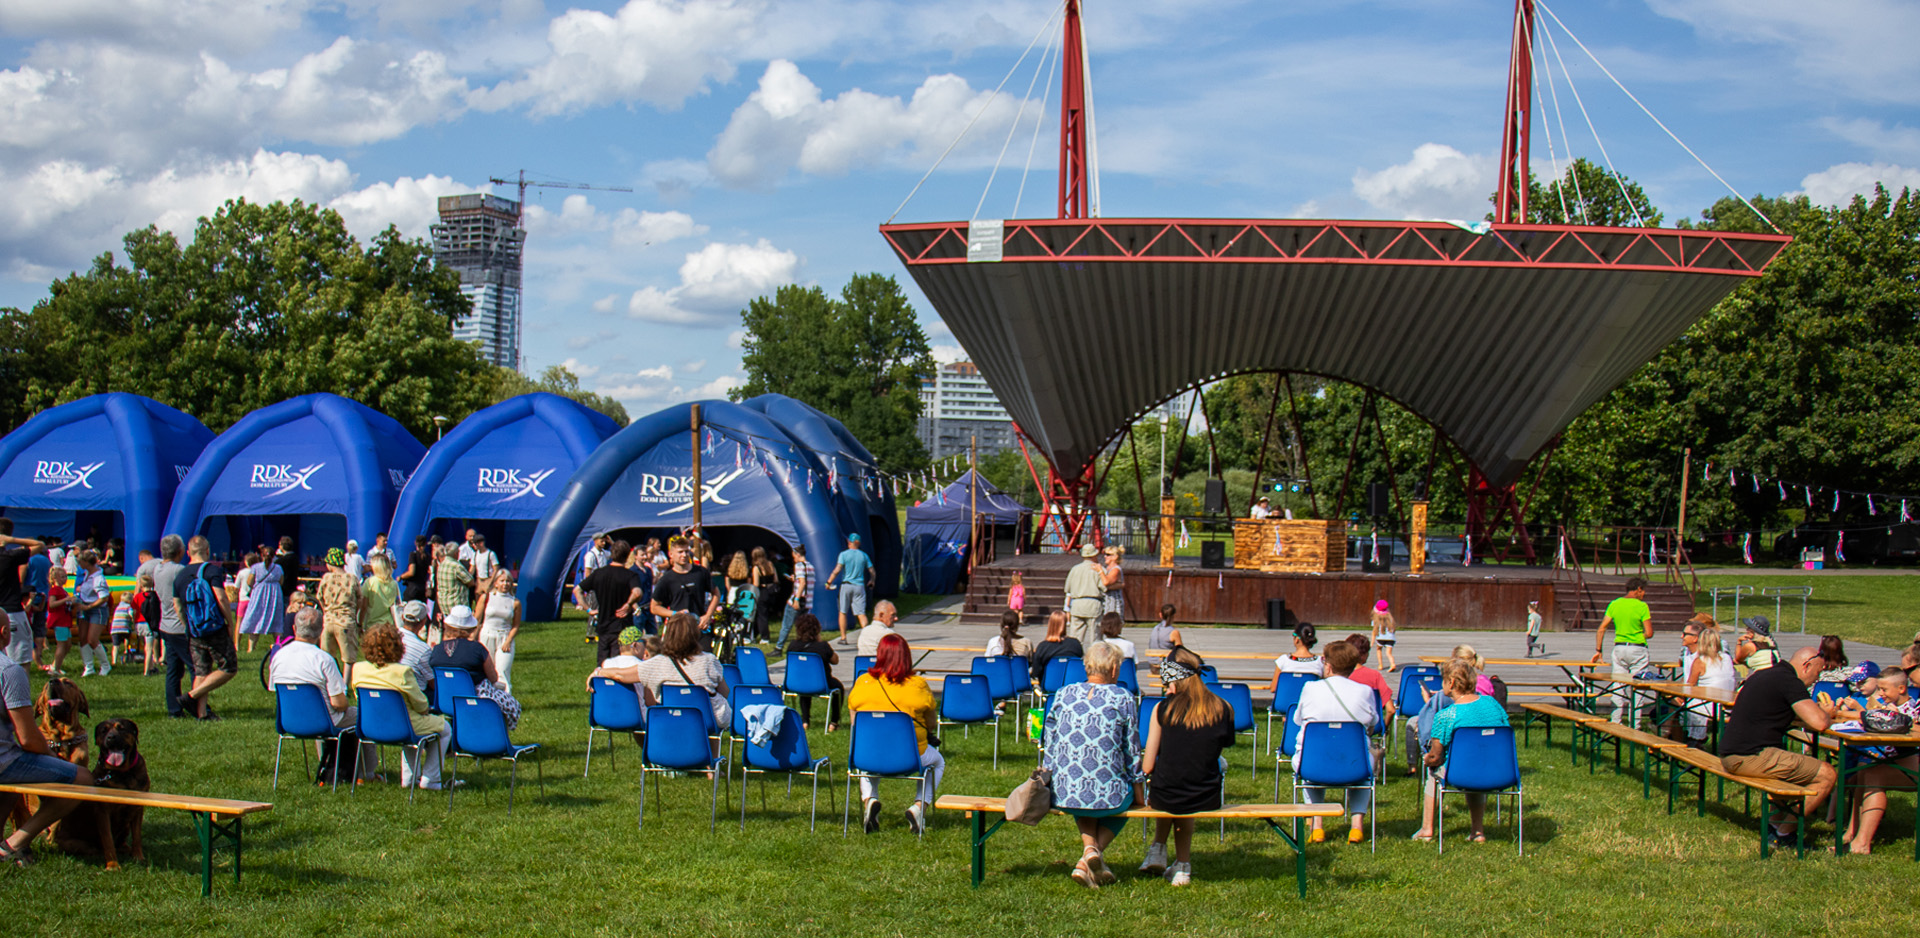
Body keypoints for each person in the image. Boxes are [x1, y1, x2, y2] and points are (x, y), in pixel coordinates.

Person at [0, 612, 96, 868]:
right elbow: (28, 739)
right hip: (3, 763)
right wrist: (53, 757)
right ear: (4, 634)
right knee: (84, 780)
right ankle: (15, 843)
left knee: (14, 782)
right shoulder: (9, 671)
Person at [1042, 641, 1142, 888]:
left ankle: (1087, 854)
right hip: (1108, 793)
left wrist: (1050, 776)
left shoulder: (1063, 694)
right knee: (1124, 800)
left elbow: (1049, 739)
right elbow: (1132, 750)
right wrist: (1139, 790)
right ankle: (1088, 858)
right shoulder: (1123, 697)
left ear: (1087, 666)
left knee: (1082, 790)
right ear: (1115, 669)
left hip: (1065, 789)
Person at [1718, 646, 1837, 848]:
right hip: (1750, 756)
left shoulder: (1765, 675)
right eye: (1817, 673)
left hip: (1731, 753)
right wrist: (1827, 712)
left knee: (1783, 764)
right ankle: (1784, 834)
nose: (1816, 679)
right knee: (1827, 774)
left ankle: (1775, 824)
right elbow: (1819, 723)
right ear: (1807, 666)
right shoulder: (1789, 681)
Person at [1140, 646, 1235, 886]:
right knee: (1185, 781)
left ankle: (1159, 849)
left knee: (1172, 781)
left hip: (1166, 793)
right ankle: (1182, 865)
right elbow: (1220, 747)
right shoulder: (1224, 708)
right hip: (1207, 794)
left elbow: (1148, 765)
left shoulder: (1162, 709)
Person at [847, 632, 943, 834]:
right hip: (910, 757)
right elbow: (931, 724)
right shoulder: (918, 686)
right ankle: (919, 807)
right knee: (938, 761)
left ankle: (869, 801)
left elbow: (854, 722)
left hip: (870, 755)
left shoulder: (862, 683)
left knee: (866, 763)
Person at [1410, 657, 1509, 842]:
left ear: (1452, 683)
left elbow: (1436, 756)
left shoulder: (1446, 716)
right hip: (1498, 770)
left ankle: (1427, 828)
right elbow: (1505, 732)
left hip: (1461, 773)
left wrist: (1427, 759)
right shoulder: (1493, 704)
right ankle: (1477, 831)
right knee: (1475, 765)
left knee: (1434, 772)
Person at [270, 608, 371, 784]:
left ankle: (326, 764)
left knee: (321, 711)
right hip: (323, 720)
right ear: (320, 630)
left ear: (294, 629)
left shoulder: (278, 657)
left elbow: (276, 690)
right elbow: (339, 703)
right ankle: (367, 773)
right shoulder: (324, 659)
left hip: (289, 721)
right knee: (366, 716)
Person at [1294, 640, 1381, 843]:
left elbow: (1299, 719)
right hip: (1354, 765)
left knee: (1310, 766)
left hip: (1313, 764)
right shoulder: (1365, 691)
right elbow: (1373, 722)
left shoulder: (1310, 688)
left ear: (1329, 665)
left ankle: (1317, 825)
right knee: (1364, 774)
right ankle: (1357, 826)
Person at [351, 624, 453, 790]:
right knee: (445, 729)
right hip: (404, 725)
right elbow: (421, 705)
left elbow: (358, 697)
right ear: (398, 646)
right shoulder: (403, 672)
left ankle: (410, 777)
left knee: (412, 723)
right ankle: (431, 778)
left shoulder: (359, 668)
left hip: (370, 725)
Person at [593, 613, 729, 736]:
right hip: (707, 721)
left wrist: (599, 672)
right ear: (695, 635)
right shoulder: (709, 660)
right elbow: (725, 692)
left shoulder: (656, 663)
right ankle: (711, 762)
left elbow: (620, 675)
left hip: (668, 720)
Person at [1832, 669, 1920, 854]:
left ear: (1902, 688)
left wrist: (1900, 721)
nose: (1880, 694)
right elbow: (1866, 717)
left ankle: (1862, 843)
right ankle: (1851, 833)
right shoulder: (1892, 706)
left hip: (1912, 762)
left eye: (1884, 689)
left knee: (1873, 775)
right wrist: (1837, 713)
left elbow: (1912, 732)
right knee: (1863, 771)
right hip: (1901, 760)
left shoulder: (1911, 710)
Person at [174, 536, 237, 721]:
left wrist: (188, 626)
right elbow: (221, 597)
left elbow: (177, 606)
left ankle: (202, 714)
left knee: (201, 670)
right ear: (207, 550)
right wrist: (229, 622)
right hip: (214, 627)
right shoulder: (211, 571)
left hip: (195, 630)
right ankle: (191, 696)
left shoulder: (181, 575)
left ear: (188, 552)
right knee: (229, 667)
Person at [428, 605, 521, 729]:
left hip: (445, 700)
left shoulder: (437, 650)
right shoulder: (477, 649)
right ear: (471, 628)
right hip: (473, 698)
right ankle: (498, 738)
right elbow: (493, 677)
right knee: (510, 704)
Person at [1593, 576, 1653, 728]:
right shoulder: (1641, 606)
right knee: (1638, 685)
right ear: (1638, 590)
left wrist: (1599, 650)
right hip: (1637, 647)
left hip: (1619, 647)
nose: (1644, 594)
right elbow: (1649, 632)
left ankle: (1616, 721)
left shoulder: (1614, 604)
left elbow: (1602, 627)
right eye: (1643, 591)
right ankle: (1635, 724)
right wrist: (1638, 635)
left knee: (1618, 686)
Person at [579, 540, 642, 664]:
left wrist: (588, 609)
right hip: (621, 626)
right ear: (628, 555)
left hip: (603, 625)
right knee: (619, 663)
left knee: (602, 663)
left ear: (611, 554)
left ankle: (599, 682)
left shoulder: (599, 573)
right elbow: (637, 592)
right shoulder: (630, 575)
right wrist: (628, 604)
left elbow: (577, 590)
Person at [1678, 623, 1738, 746]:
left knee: (1676, 705)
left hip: (1708, 705)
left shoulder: (1700, 661)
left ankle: (1688, 740)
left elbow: (1689, 687)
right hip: (1727, 703)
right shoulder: (1726, 658)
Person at [783, 613, 843, 731]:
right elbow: (835, 660)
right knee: (838, 687)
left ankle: (805, 720)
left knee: (804, 687)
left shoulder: (793, 646)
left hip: (797, 683)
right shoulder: (822, 646)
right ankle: (834, 722)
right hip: (821, 683)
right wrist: (820, 641)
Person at [649, 536, 718, 634]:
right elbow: (654, 607)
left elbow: (716, 594)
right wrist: (675, 614)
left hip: (700, 626)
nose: (684, 555)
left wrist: (708, 615)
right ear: (671, 554)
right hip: (678, 629)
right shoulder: (667, 578)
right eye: (680, 552)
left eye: (686, 551)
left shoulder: (700, 572)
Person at [0, 519, 41, 666]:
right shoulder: (10, 556)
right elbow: (40, 545)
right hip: (11, 612)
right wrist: (11, 540)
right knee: (20, 661)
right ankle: (19, 689)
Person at [317, 548, 364, 671]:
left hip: (328, 620)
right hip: (346, 621)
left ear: (330, 564)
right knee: (349, 657)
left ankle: (330, 682)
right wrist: (354, 612)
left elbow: (319, 597)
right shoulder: (351, 578)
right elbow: (360, 598)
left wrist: (326, 610)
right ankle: (345, 684)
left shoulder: (326, 578)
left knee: (327, 655)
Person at [825, 534, 874, 642]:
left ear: (849, 542)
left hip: (846, 585)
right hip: (859, 586)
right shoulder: (864, 555)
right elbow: (872, 571)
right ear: (859, 543)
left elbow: (837, 570)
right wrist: (872, 580)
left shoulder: (843, 555)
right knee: (861, 613)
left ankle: (843, 637)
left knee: (843, 612)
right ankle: (868, 638)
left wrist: (829, 582)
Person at [478, 570, 521, 693]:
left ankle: (506, 701)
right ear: (496, 583)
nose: (505, 584)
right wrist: (472, 637)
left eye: (508, 581)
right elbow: (477, 619)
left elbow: (516, 625)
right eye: (502, 581)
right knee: (486, 670)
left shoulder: (515, 602)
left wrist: (508, 641)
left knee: (502, 670)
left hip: (504, 637)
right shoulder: (486, 598)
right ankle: (487, 697)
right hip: (487, 635)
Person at [1343, 634, 1396, 726]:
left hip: (1342, 725)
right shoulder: (1374, 676)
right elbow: (1391, 710)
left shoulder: (1338, 675)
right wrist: (1384, 727)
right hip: (1369, 725)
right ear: (1364, 654)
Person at [238, 546, 287, 644]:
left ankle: (251, 648)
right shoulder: (278, 568)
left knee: (256, 618)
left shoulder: (255, 567)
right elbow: (281, 581)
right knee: (276, 620)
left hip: (259, 595)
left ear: (261, 555)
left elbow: (249, 581)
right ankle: (279, 645)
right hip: (275, 596)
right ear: (273, 556)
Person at [73, 550, 111, 677]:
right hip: (84, 608)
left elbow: (103, 598)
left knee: (92, 639)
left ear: (85, 562)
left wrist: (88, 606)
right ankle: (88, 667)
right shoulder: (86, 574)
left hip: (96, 609)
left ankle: (105, 665)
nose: (79, 564)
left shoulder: (98, 578)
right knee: (83, 638)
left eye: (80, 562)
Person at [1063, 544, 1106, 648]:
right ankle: (1095, 661)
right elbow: (1104, 587)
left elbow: (1067, 588)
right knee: (1095, 639)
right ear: (1094, 555)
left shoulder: (1074, 569)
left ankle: (1075, 659)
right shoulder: (1098, 569)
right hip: (1093, 604)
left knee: (1075, 639)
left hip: (1077, 604)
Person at [1030, 610, 1085, 684]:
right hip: (1071, 684)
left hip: (1049, 684)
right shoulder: (1075, 644)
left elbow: (1036, 672)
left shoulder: (1042, 647)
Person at [1269, 623, 1322, 695]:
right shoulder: (1320, 662)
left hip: (1286, 704)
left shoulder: (1283, 660)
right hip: (1310, 704)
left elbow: (1273, 688)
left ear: (1297, 639)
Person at [777, 543, 813, 649]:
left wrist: (796, 599)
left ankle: (779, 647)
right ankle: (804, 645)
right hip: (807, 601)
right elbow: (806, 581)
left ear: (797, 554)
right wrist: (795, 578)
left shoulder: (798, 566)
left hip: (796, 600)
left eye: (794, 556)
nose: (793, 559)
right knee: (802, 626)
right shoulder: (810, 567)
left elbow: (802, 583)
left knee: (786, 625)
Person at [396, 601, 434, 697]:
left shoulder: (389, 637)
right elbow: (432, 682)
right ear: (423, 621)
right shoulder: (423, 649)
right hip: (415, 694)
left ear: (402, 617)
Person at [44, 567, 74, 676]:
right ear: (54, 578)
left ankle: (56, 664)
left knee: (68, 644)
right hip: (59, 621)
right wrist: (65, 600)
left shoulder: (62, 590)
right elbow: (51, 604)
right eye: (62, 577)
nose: (65, 579)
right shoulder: (55, 590)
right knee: (61, 645)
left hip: (64, 621)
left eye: (65, 576)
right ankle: (55, 669)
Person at [435, 545, 475, 621]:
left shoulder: (441, 565)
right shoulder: (456, 566)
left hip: (444, 605)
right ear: (456, 553)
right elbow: (471, 582)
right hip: (457, 606)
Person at [362, 556, 401, 631]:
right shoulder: (394, 583)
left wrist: (360, 623)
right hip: (389, 624)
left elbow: (364, 606)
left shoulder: (369, 582)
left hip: (372, 624)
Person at [399, 535, 432, 605]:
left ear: (415, 543)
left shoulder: (413, 555)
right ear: (426, 544)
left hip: (413, 589)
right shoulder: (428, 556)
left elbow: (411, 572)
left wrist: (401, 577)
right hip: (423, 589)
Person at [1369, 599, 1397, 671]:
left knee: (1378, 649)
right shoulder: (1391, 619)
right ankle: (1392, 664)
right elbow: (1393, 629)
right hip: (1390, 638)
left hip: (1380, 638)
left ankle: (1380, 664)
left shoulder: (1376, 620)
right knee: (1388, 653)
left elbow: (1374, 631)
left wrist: (1372, 642)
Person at [1101, 545, 1125, 619]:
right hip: (1106, 600)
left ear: (1115, 557)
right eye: (1104, 554)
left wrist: (1100, 571)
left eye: (1108, 555)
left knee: (1112, 623)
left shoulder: (1115, 569)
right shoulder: (1107, 568)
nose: (1105, 556)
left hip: (1113, 601)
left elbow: (1106, 582)